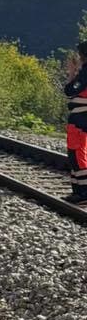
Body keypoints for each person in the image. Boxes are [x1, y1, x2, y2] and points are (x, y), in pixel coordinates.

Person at [64, 40, 87, 203]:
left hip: (80, 117)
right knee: (76, 153)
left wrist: (72, 73)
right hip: (82, 116)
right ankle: (78, 192)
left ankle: (83, 193)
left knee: (77, 153)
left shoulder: (86, 72)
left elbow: (70, 91)